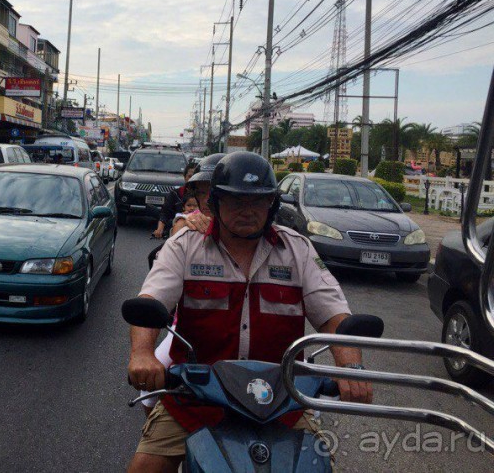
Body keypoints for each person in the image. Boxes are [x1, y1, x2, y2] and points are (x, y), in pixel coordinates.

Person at [126, 152, 371, 472]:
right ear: (215, 202)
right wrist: (143, 354)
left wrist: (349, 367)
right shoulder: (185, 245)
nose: (248, 211)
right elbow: (152, 301)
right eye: (236, 201)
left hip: (283, 403)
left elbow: (334, 315)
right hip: (195, 400)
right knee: (144, 467)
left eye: (258, 201)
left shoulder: (297, 250)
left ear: (272, 204)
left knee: (318, 465)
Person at [152, 163, 196, 238]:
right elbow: (165, 213)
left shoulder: (205, 196)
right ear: (184, 177)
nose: (192, 179)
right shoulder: (175, 194)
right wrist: (160, 229)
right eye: (189, 176)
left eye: (195, 176)